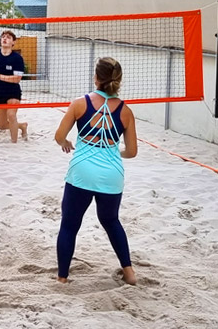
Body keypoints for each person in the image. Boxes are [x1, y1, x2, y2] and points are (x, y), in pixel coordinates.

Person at [54, 57, 138, 285]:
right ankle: (129, 273)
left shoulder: (80, 103)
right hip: (112, 174)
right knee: (111, 221)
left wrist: (68, 143)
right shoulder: (125, 111)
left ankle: (62, 277)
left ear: (96, 78)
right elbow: (131, 151)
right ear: (118, 81)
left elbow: (59, 137)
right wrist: (110, 151)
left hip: (82, 171)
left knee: (70, 225)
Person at [0, 30, 28, 143]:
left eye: (8, 37)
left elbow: (17, 79)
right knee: (2, 125)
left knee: (11, 115)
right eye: (3, 37)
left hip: (13, 91)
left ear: (13, 42)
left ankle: (14, 143)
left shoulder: (17, 58)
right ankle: (22, 126)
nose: (5, 39)